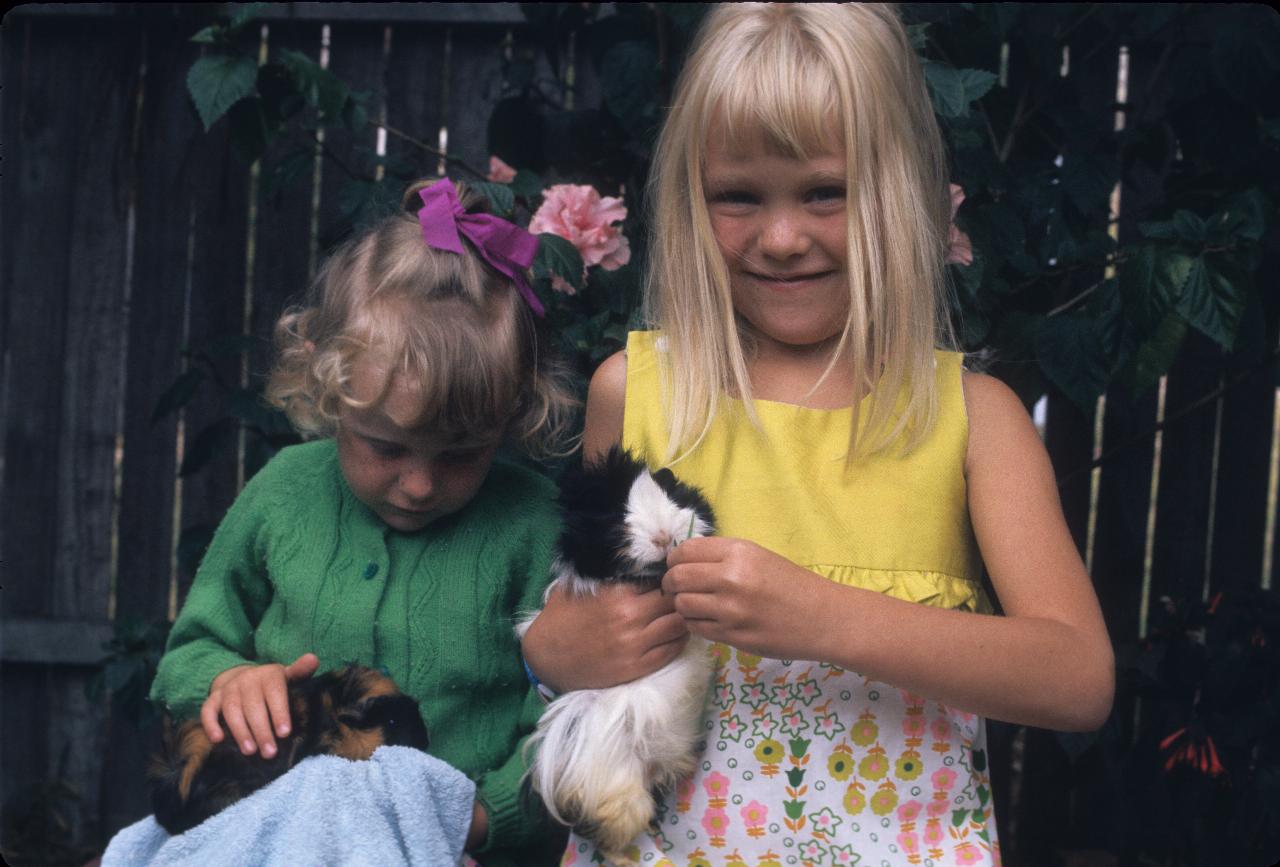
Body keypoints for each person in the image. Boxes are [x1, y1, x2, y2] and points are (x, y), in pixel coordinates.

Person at [518, 4, 1115, 865]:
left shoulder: (974, 420)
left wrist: (822, 615)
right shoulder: (638, 393)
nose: (783, 237)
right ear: (691, 199)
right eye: (738, 196)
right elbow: (580, 624)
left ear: (900, 188)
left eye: (825, 192)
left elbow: (1078, 677)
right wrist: (548, 653)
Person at [150, 177, 577, 867]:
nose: (419, 482)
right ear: (329, 390)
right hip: (274, 836)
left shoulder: (532, 527)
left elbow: (562, 723)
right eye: (386, 446)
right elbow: (189, 651)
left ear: (512, 416)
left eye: (462, 453)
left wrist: (481, 818)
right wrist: (227, 681)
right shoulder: (284, 493)